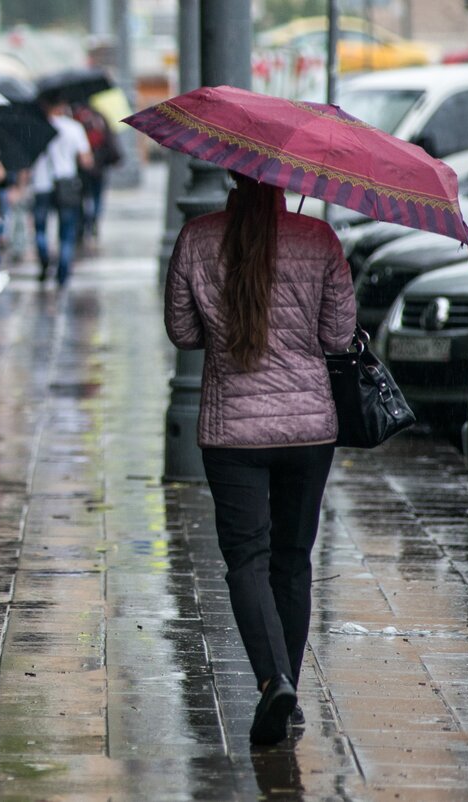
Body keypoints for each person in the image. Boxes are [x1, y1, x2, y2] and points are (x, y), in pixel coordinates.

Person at [164, 171, 355, 746]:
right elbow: (339, 335)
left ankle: (274, 681)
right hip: (308, 432)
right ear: (284, 182)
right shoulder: (318, 238)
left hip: (232, 435)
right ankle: (287, 689)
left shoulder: (197, 238)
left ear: (228, 175)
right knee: (293, 560)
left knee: (247, 559)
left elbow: (181, 331)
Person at [30, 96, 92, 287]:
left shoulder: (35, 127)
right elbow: (86, 161)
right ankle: (62, 273)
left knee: (40, 229)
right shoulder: (73, 128)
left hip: (41, 185)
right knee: (66, 232)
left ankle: (44, 259)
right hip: (66, 184)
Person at [72, 102, 121, 248]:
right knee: (97, 197)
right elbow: (110, 140)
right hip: (99, 167)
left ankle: (84, 224)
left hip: (82, 169)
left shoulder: (76, 119)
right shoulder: (99, 118)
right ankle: (93, 221)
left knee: (83, 198)